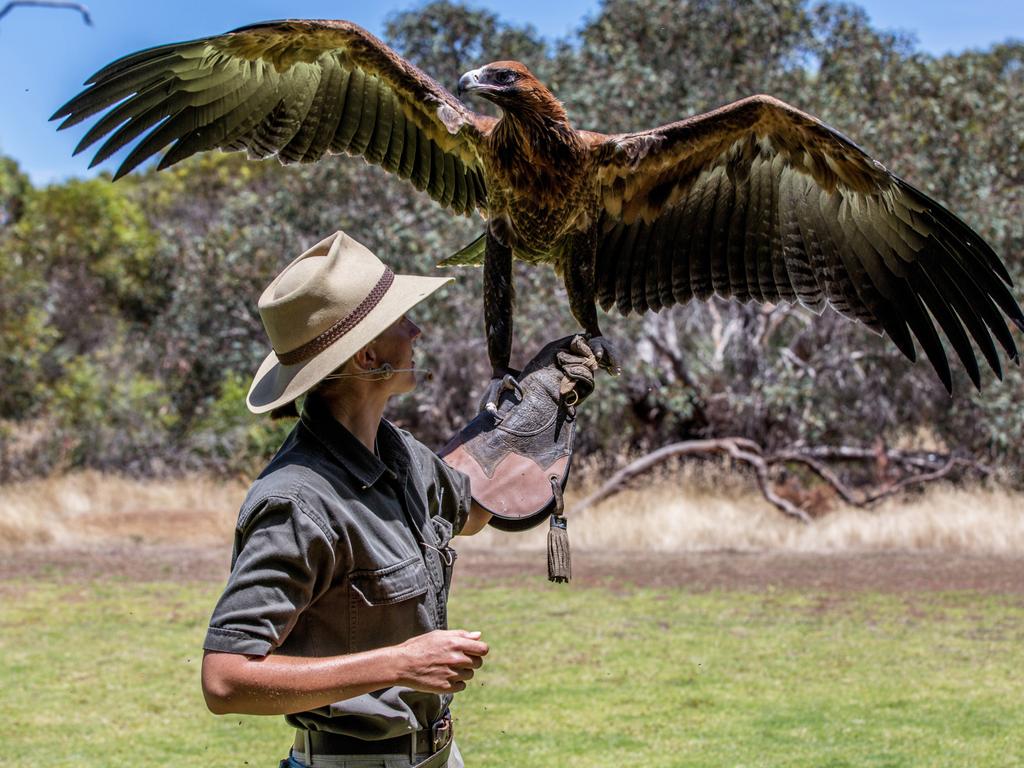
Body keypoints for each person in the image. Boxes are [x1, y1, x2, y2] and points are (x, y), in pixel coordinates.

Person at [200, 231, 493, 768]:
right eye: (402, 318)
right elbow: (226, 680)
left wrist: (526, 420)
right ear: (368, 356)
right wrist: (400, 664)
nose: (417, 329)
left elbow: (471, 511)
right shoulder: (295, 503)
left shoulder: (398, 451)